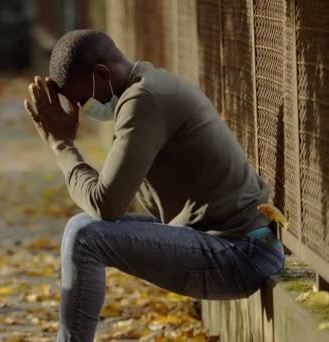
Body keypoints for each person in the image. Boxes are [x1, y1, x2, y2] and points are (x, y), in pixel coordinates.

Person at [23, 29, 285, 342]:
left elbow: (106, 205)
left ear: (102, 73)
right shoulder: (147, 88)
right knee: (80, 225)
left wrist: (61, 146)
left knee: (85, 236)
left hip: (241, 255)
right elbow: (107, 198)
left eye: (81, 99)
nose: (81, 109)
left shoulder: (144, 99)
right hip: (227, 244)